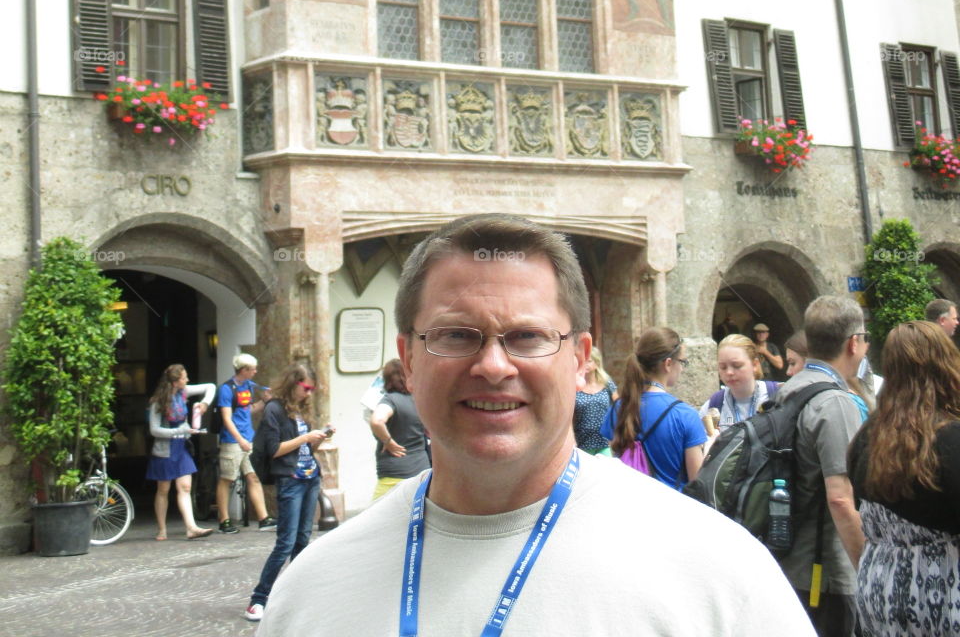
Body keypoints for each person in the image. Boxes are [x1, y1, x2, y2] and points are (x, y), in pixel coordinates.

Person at [256, 214, 814, 636]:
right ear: (409, 358)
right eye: (454, 335)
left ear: (578, 358)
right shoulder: (311, 590)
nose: (494, 366)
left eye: (528, 337)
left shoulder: (716, 570)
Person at [847, 321, 960, 636]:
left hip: (879, 589)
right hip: (941, 590)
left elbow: (857, 505)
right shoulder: (950, 439)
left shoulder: (866, 438)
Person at [776, 296, 869, 636]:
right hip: (826, 570)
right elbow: (841, 499)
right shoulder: (835, 402)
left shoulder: (787, 391)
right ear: (853, 343)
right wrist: (867, 566)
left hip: (787, 559)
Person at [244, 362, 334, 623]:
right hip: (291, 480)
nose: (309, 394)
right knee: (285, 543)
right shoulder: (274, 409)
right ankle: (257, 600)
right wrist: (305, 439)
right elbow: (274, 449)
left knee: (302, 542)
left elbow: (305, 451)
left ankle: (296, 598)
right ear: (294, 382)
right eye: (306, 388)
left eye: (312, 390)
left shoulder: (301, 410)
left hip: (309, 478)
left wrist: (318, 439)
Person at [602, 326, 705, 486]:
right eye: (682, 362)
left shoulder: (619, 408)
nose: (682, 369)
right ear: (668, 364)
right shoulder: (685, 415)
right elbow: (697, 483)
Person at [145, 364, 215, 540]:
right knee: (163, 488)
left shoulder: (184, 392)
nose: (187, 380)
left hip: (181, 446)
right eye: (184, 377)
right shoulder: (157, 402)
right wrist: (178, 431)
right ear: (176, 382)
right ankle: (162, 528)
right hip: (165, 448)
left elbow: (210, 387)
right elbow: (154, 430)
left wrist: (205, 403)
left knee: (185, 486)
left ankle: (191, 527)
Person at [217, 353, 277, 534]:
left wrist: (264, 401)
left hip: (248, 438)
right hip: (232, 441)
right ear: (243, 370)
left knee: (253, 476)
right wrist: (239, 439)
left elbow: (247, 410)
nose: (255, 372)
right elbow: (227, 418)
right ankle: (224, 520)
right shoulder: (227, 389)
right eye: (252, 369)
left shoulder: (249, 386)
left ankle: (263, 518)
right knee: (227, 478)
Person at [368, 357, 430, 500]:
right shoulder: (418, 401)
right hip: (421, 470)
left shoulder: (390, 400)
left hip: (394, 474)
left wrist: (388, 441)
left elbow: (377, 421)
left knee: (378, 519)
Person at [700, 334, 779, 430]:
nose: (729, 372)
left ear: (755, 364)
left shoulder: (778, 396)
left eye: (737, 365)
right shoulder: (713, 405)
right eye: (723, 367)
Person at [572, 347, 618, 454]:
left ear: (597, 363)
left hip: (605, 441)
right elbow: (570, 414)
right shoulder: (576, 385)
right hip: (582, 441)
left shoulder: (607, 383)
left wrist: (616, 433)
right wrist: (572, 437)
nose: (585, 364)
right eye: (583, 361)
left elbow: (618, 408)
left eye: (589, 361)